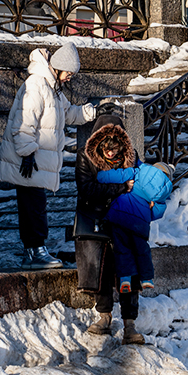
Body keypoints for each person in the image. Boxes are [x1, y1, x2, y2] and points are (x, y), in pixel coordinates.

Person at [0, 42, 96, 269]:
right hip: (30, 159)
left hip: (36, 159)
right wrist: (27, 153)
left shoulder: (53, 88)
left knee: (35, 205)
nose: (70, 78)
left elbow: (69, 113)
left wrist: (92, 112)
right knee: (33, 205)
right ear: (58, 67)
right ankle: (34, 251)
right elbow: (24, 121)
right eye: (69, 73)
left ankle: (35, 250)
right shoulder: (37, 84)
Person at [75, 112, 143, 343]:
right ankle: (104, 316)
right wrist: (120, 187)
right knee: (101, 269)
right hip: (96, 219)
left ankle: (130, 324)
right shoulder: (85, 157)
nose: (111, 151)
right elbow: (87, 189)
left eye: (115, 145)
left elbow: (140, 184)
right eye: (105, 145)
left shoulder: (132, 157)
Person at [97, 160, 173, 295]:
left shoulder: (138, 172)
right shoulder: (162, 191)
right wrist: (149, 209)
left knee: (122, 248)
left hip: (120, 215)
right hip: (140, 222)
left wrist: (100, 176)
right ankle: (147, 278)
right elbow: (157, 213)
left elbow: (112, 176)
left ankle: (125, 279)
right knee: (142, 250)